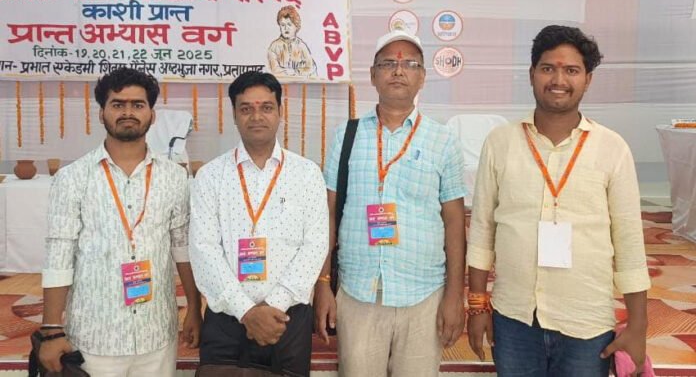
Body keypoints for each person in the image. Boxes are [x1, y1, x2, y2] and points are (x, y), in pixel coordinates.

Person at [467, 25, 651, 376]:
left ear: (588, 79)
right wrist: (477, 307)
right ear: (531, 74)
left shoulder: (612, 148)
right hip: (514, 318)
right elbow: (481, 231)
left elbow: (629, 242)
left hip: (586, 322)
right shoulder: (500, 143)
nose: (558, 80)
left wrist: (639, 326)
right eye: (548, 68)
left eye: (572, 70)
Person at [314, 29, 468, 377]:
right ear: (372, 75)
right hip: (359, 294)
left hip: (424, 295)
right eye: (388, 64)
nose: (398, 71)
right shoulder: (347, 135)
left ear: (422, 77)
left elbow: (455, 222)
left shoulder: (443, 140)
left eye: (409, 64)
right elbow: (328, 214)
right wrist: (323, 283)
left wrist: (454, 295)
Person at [39, 67, 201, 376]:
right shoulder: (72, 178)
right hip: (95, 336)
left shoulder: (174, 177)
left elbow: (182, 247)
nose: (128, 112)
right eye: (118, 104)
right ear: (102, 113)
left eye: (138, 104)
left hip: (156, 333)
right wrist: (51, 329)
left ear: (152, 114)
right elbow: (58, 255)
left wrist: (194, 306)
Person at [190, 71, 328, 377]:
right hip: (227, 322)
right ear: (234, 115)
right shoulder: (211, 176)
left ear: (280, 112)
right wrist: (247, 312)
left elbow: (315, 244)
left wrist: (273, 306)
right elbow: (203, 249)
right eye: (246, 108)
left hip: (287, 320)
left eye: (266, 107)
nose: (256, 116)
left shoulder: (306, 174)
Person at [267, 5, 317, 78]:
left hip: (300, 83)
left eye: (289, 24)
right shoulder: (274, 46)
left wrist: (295, 72)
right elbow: (274, 70)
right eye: (283, 25)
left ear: (296, 26)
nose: (286, 28)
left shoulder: (301, 45)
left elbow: (311, 67)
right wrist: (288, 72)